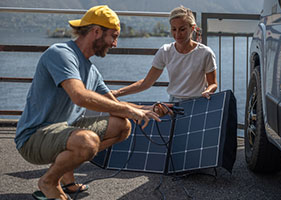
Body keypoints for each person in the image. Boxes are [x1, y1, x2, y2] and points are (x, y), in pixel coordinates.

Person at [14, 5, 169, 200]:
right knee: (88, 142)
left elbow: (113, 103)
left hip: (63, 130)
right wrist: (131, 111)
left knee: (122, 126)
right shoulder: (61, 53)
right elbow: (79, 96)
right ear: (96, 32)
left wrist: (150, 110)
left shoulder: (91, 70)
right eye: (113, 36)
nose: (115, 44)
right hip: (33, 137)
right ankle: (48, 181)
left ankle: (65, 170)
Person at [112, 5, 218, 102]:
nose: (177, 34)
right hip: (174, 102)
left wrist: (208, 91)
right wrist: (117, 93)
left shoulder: (205, 53)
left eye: (182, 29)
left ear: (192, 28)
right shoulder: (165, 51)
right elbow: (147, 82)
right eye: (174, 29)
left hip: (198, 101)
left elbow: (213, 84)